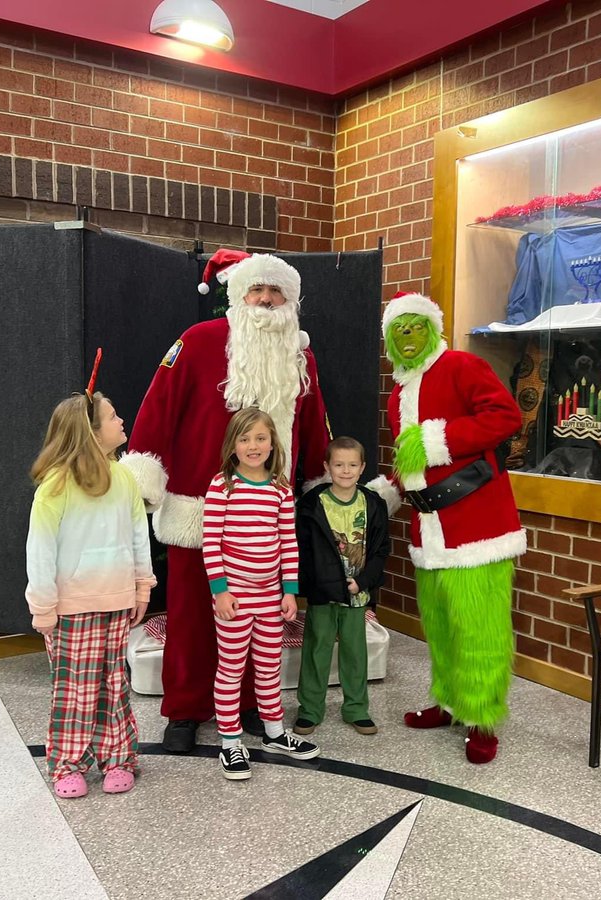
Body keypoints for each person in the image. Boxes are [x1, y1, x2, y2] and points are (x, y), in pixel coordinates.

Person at [121, 250, 331, 755]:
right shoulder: (198, 342)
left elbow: (313, 422)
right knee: (194, 616)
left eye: (275, 292)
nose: (264, 299)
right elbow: (157, 406)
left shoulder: (301, 358)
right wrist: (146, 472)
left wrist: (322, 482)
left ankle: (253, 708)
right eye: (256, 290)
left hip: (268, 517)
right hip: (201, 507)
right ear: (237, 296)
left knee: (263, 622)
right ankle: (186, 710)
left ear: (290, 300)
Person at [370, 291, 525, 765]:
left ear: (432, 328)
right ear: (390, 341)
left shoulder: (461, 366)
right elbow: (410, 461)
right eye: (399, 330)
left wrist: (438, 439)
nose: (409, 337)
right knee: (440, 626)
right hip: (429, 531)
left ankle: (483, 719)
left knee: (479, 627)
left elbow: (506, 417)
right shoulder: (399, 393)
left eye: (416, 326)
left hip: (476, 528)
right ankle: (450, 702)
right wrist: (383, 495)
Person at [25, 390, 155, 797]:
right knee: (75, 690)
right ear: (90, 431)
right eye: (113, 416)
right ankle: (68, 764)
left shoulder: (124, 478)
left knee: (112, 686)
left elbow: (138, 536)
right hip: (71, 608)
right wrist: (43, 606)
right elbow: (41, 550)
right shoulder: (55, 487)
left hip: (116, 602)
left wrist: (141, 586)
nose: (122, 421)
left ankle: (118, 759)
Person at [202, 407, 321, 780]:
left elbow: (288, 541)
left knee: (270, 667)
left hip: (271, 597)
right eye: (244, 438)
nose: (253, 446)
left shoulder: (280, 488)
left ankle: (274, 733)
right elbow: (210, 543)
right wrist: (220, 592)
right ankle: (230, 742)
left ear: (272, 443)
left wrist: (290, 592)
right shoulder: (223, 485)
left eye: (260, 438)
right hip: (234, 598)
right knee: (232, 669)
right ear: (232, 445)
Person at [293, 436, 390, 736]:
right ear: (327, 466)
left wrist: (362, 581)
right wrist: (312, 585)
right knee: (316, 649)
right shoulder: (312, 504)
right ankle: (309, 709)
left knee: (354, 651)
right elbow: (304, 550)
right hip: (323, 591)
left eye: (352, 465)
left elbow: (380, 549)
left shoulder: (373, 504)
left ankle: (356, 708)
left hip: (357, 592)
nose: (345, 471)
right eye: (338, 464)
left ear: (362, 468)